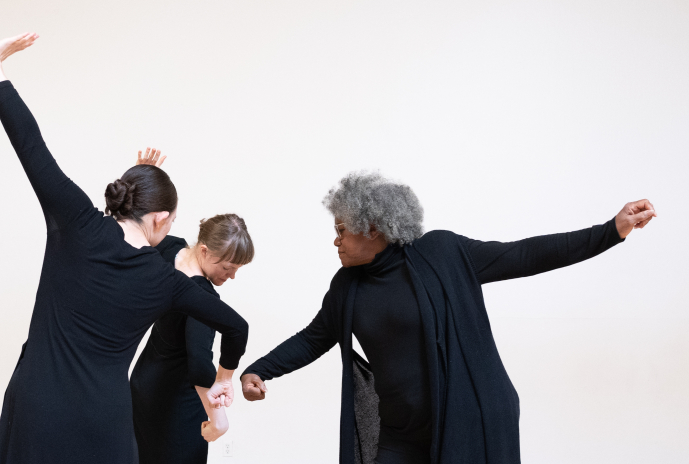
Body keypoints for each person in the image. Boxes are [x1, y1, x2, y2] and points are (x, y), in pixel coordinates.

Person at [240, 171, 656, 464]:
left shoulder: (443, 253)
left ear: (373, 228)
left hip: (466, 421)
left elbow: (525, 254)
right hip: (400, 435)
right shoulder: (347, 286)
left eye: (342, 229)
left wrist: (610, 231)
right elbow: (315, 337)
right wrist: (259, 370)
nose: (336, 240)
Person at [0, 33, 248, 464]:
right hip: (101, 420)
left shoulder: (76, 222)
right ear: (161, 219)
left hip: (36, 406)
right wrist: (224, 377)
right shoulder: (167, 280)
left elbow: (31, 147)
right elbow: (237, 327)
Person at [130, 210, 255, 464]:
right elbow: (199, 362)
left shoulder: (169, 247)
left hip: (143, 386)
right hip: (175, 404)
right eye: (228, 268)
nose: (231, 276)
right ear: (206, 251)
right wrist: (219, 420)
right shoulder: (201, 296)